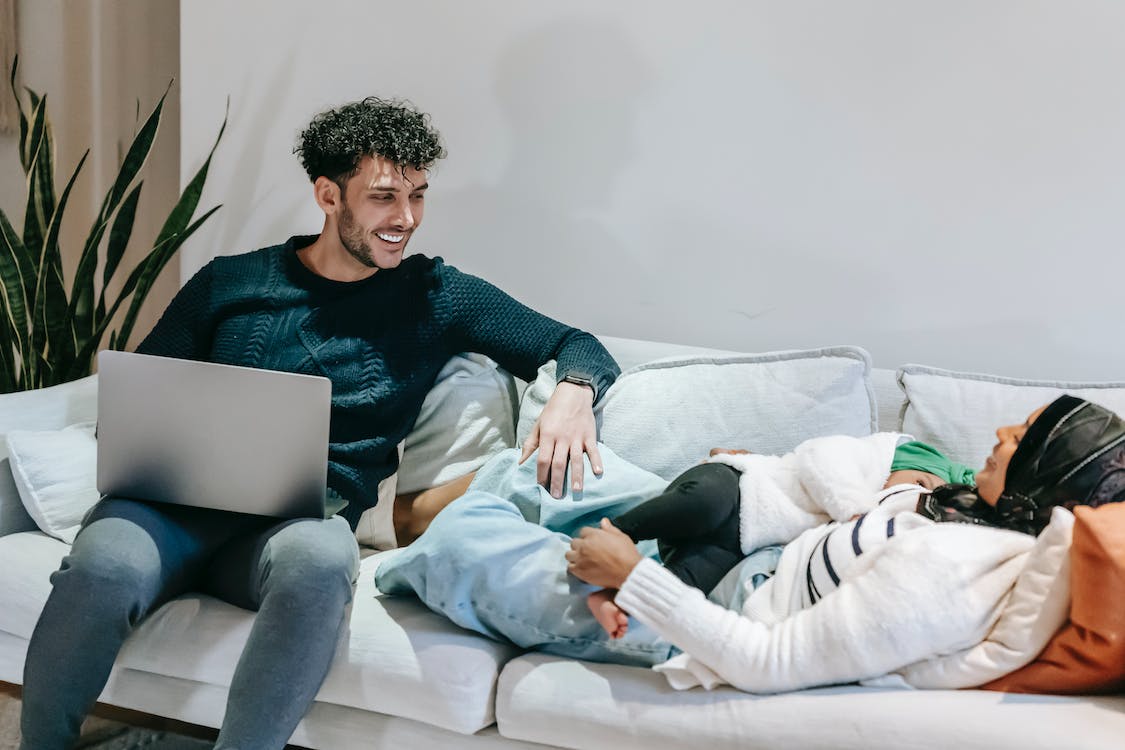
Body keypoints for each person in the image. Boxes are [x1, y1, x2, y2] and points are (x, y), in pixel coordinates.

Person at [20, 97, 620, 750]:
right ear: (328, 195)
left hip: (294, 525)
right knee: (104, 563)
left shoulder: (436, 295)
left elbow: (575, 342)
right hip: (169, 512)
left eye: (418, 197)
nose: (407, 219)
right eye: (385, 198)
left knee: (323, 559)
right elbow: (139, 402)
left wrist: (573, 392)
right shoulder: (227, 285)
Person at [377, 395, 1125, 693]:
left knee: (469, 543)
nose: (998, 434)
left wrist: (632, 575)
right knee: (533, 471)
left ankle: (384, 559)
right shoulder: (971, 516)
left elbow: (770, 662)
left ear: (1038, 486)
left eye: (1019, 438)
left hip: (707, 605)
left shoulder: (954, 574)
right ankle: (412, 527)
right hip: (747, 539)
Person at [585, 440, 975, 639]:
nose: (912, 498)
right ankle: (616, 531)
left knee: (692, 586)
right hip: (741, 488)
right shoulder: (862, 465)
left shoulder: (879, 530)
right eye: (921, 483)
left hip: (741, 545)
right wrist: (853, 509)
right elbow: (818, 459)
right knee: (702, 504)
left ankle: (615, 597)